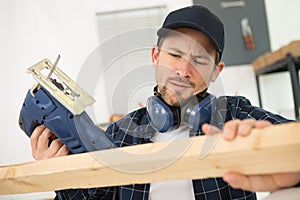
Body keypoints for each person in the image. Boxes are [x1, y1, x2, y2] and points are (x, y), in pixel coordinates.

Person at [30, 5, 300, 200]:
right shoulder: (119, 134)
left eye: (199, 60)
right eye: (174, 54)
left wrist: (282, 162)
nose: (183, 70)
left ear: (216, 71)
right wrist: (60, 174)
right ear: (155, 56)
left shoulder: (236, 114)